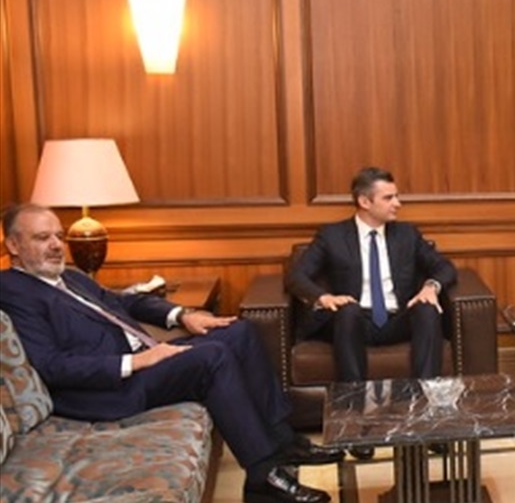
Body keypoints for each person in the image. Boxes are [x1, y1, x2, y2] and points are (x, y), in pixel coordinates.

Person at [0, 204, 340, 503]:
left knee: (239, 331)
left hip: (144, 359)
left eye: (58, 236)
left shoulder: (70, 277)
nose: (56, 245)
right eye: (42, 238)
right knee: (212, 358)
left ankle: (282, 439)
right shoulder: (13, 290)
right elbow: (51, 365)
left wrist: (182, 315)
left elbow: (123, 301)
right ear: (13, 245)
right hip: (110, 388)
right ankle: (262, 476)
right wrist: (135, 362)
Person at [286, 167, 456, 458]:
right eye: (389, 198)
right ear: (365, 202)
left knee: (427, 309)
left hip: (397, 317)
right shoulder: (332, 236)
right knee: (348, 311)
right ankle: (357, 424)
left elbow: (444, 267)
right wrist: (324, 297)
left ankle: (426, 418)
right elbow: (296, 276)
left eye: (396, 196)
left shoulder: (407, 234)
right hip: (355, 321)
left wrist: (431, 287)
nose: (397, 203)